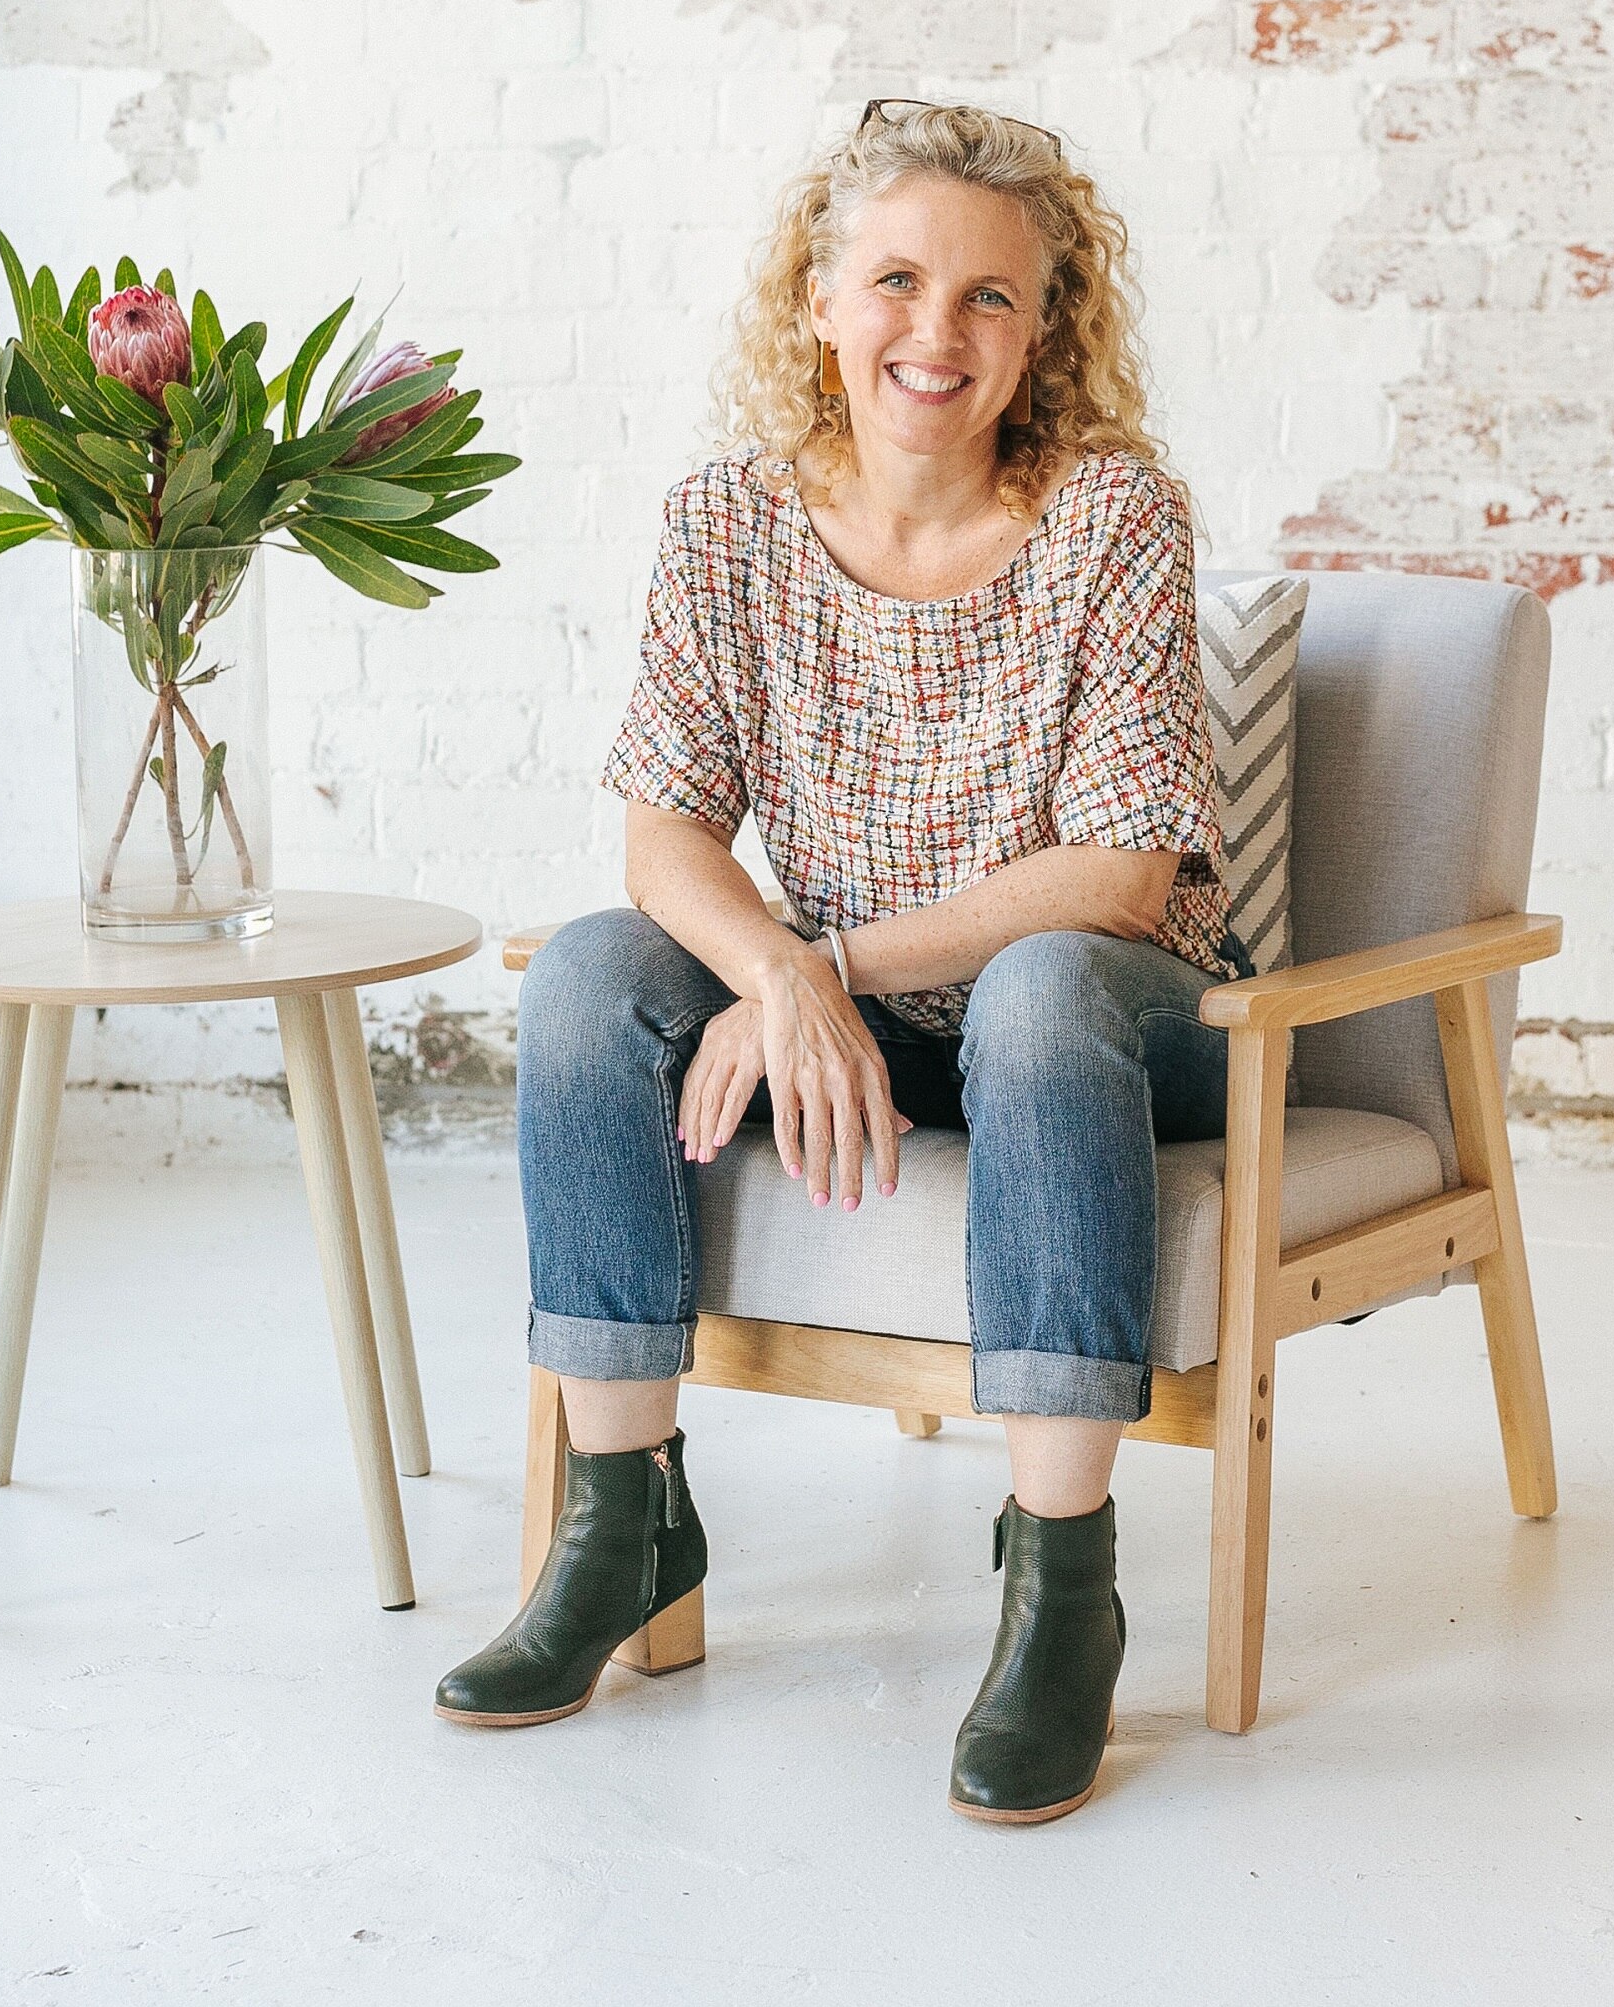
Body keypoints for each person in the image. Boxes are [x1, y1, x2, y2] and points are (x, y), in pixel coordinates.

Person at [436, 100, 1244, 1824]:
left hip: (1127, 1019)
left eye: (991, 299)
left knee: (1034, 996)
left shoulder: (1116, 520)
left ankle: (1064, 1597)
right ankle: (620, 1528)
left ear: (1048, 332)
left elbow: (1115, 877)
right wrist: (784, 980)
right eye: (894, 281)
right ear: (817, 300)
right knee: (591, 973)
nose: (935, 334)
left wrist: (827, 963)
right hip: (858, 1013)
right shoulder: (727, 522)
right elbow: (665, 839)